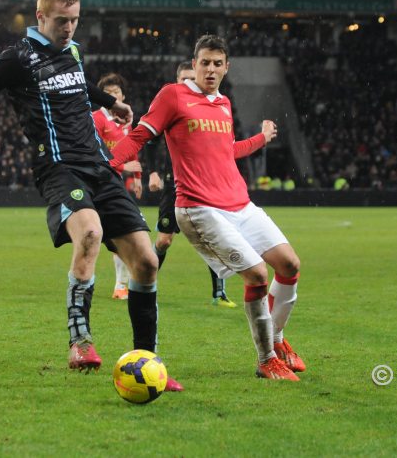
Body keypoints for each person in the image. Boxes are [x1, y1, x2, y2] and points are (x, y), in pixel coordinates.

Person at [0, 0, 182, 391]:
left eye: (75, 21)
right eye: (62, 21)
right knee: (90, 235)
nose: (69, 28)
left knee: (148, 262)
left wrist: (109, 102)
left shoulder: (73, 50)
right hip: (58, 167)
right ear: (40, 16)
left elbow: (78, 85)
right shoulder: (17, 59)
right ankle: (80, 341)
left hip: (98, 165)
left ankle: (147, 362)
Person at [111, 34, 305, 381]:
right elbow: (141, 135)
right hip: (200, 208)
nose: (211, 69)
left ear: (226, 67)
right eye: (205, 63)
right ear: (194, 64)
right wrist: (109, 165)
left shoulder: (225, 104)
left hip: (240, 204)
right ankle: (266, 360)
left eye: (218, 63)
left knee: (290, 265)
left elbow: (226, 151)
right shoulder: (173, 95)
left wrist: (261, 138)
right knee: (258, 275)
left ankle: (277, 338)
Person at [145, 61, 236, 309]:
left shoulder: (207, 106)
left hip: (204, 186)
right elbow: (150, 140)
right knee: (164, 240)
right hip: (173, 184)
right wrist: (152, 172)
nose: (189, 83)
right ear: (177, 80)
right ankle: (144, 285)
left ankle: (220, 293)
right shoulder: (170, 105)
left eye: (191, 78)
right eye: (184, 79)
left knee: (212, 239)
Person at [92, 73, 143, 300]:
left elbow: (132, 150)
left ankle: (121, 285)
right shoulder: (96, 119)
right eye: (108, 94)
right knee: (106, 236)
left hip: (115, 185)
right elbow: (96, 154)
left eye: (116, 93)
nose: (113, 96)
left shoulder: (126, 121)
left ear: (123, 96)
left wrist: (138, 176)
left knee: (120, 235)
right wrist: (124, 168)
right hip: (98, 185)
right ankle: (117, 284)